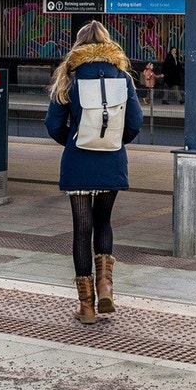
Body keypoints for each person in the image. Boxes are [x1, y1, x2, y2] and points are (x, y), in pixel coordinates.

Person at [45, 20, 143, 325]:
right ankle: (105, 286)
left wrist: (73, 143)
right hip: (111, 161)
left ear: (80, 46)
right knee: (104, 222)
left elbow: (52, 124)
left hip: (78, 162)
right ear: (107, 44)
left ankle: (86, 307)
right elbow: (135, 123)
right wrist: (114, 143)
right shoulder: (123, 78)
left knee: (81, 230)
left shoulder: (69, 77)